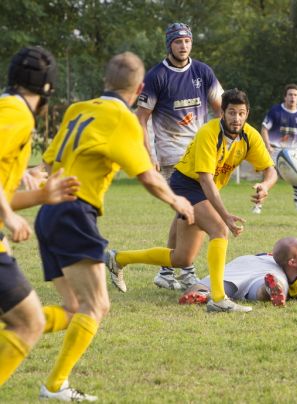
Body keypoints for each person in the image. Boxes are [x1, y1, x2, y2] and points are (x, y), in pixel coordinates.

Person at [34, 51, 195, 401]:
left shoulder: (78, 109)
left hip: (47, 213)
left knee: (74, 307)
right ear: (139, 88)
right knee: (96, 306)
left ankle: (26, 336)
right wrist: (177, 201)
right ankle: (54, 383)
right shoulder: (123, 118)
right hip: (75, 213)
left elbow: (47, 165)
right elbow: (148, 176)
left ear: (105, 81)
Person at [106, 88, 278, 313]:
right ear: (222, 113)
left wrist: (265, 185)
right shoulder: (209, 133)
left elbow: (270, 170)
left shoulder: (249, 135)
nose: (237, 118)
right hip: (187, 185)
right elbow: (206, 181)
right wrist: (225, 217)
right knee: (219, 230)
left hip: (202, 189)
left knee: (181, 257)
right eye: (232, 113)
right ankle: (218, 299)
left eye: (241, 113)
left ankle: (118, 259)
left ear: (247, 114)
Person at [0, 46, 82, 387]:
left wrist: (39, 194)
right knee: (28, 322)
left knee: (27, 319)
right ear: (47, 87)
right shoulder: (16, 113)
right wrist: (9, 217)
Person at [137, 22, 224, 290]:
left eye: (187, 41)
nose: (183, 46)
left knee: (184, 212)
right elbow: (140, 119)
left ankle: (166, 271)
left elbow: (222, 107)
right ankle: (186, 271)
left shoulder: (202, 71)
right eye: (178, 42)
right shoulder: (156, 76)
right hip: (172, 155)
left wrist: (223, 143)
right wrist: (148, 153)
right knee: (195, 212)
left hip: (202, 154)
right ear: (169, 45)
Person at [260, 83, 297, 213]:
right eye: (290, 94)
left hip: (293, 151)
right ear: (285, 97)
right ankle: (258, 204)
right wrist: (267, 146)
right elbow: (264, 129)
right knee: (268, 177)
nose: (292, 97)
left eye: (295, 95)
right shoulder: (275, 111)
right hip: (275, 150)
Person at [179, 254, 289, 307]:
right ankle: (268, 288)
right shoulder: (295, 266)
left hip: (244, 262)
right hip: (272, 270)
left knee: (207, 284)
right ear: (292, 261)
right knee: (261, 290)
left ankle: (204, 294)